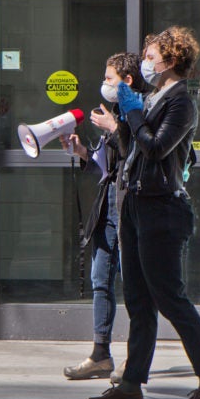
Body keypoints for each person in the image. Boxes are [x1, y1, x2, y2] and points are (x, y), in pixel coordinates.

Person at [88, 26, 200, 399]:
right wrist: (125, 121)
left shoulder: (181, 102)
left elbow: (155, 147)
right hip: (135, 203)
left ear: (171, 59)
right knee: (138, 299)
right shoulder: (152, 97)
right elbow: (132, 148)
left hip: (162, 208)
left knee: (170, 298)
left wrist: (131, 113)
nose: (146, 61)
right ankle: (131, 384)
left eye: (151, 56)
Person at [61, 52, 148, 381]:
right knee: (101, 281)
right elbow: (108, 165)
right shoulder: (113, 113)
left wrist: (114, 128)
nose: (104, 84)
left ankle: (134, 359)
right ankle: (100, 354)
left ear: (126, 81)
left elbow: (137, 156)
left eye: (109, 78)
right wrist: (82, 152)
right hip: (108, 207)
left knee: (134, 286)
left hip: (130, 208)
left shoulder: (139, 111)